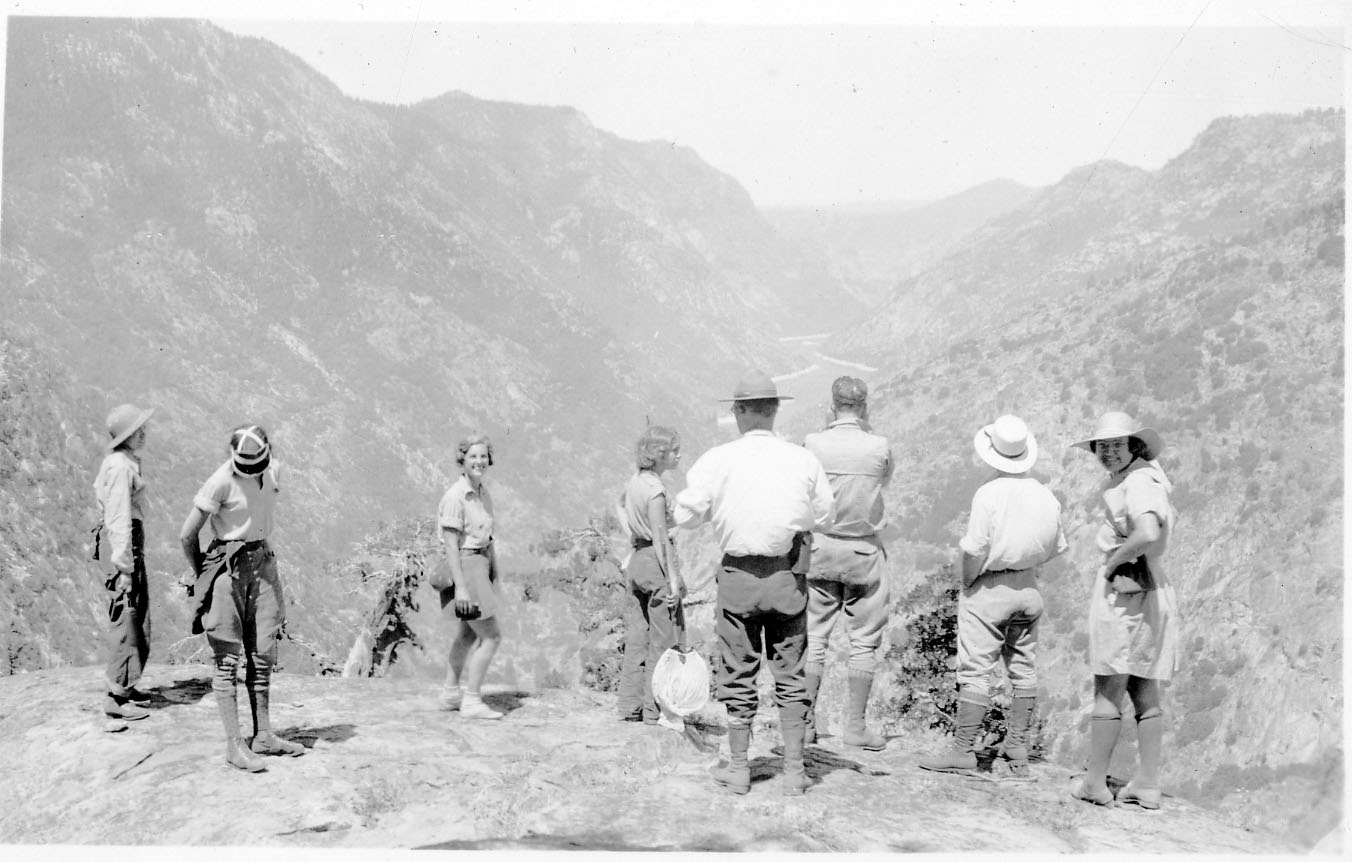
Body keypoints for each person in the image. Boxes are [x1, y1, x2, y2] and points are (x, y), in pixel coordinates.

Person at [674, 370, 835, 796]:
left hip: (739, 579)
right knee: (791, 671)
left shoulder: (717, 459)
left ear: (740, 411)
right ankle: (796, 771)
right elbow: (826, 515)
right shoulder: (802, 459)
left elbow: (685, 516)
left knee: (738, 671)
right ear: (776, 408)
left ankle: (741, 768)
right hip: (787, 576)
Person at [917, 414, 1067, 778]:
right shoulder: (1046, 495)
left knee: (975, 672)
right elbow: (1055, 547)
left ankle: (964, 752)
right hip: (1029, 589)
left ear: (992, 454)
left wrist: (969, 582)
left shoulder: (988, 495)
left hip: (990, 588)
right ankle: (1017, 748)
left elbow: (974, 549)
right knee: (1023, 669)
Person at [179, 424, 305, 772]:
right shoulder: (220, 481)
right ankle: (234, 744)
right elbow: (187, 533)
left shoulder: (273, 471)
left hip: (262, 563)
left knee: (263, 652)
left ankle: (263, 734)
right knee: (228, 659)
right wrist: (204, 572)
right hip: (228, 568)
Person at [1070, 412, 1178, 809]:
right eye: (1103, 446)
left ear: (1134, 445)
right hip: (1150, 589)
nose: (1108, 452)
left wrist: (1115, 561)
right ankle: (1147, 784)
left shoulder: (1137, 482)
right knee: (1143, 684)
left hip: (1126, 591)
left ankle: (1095, 784)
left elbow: (1147, 532)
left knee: (1110, 684)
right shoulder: (1149, 476)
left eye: (1117, 444)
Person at [801, 377, 893, 750]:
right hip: (863, 552)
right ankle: (854, 727)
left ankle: (805, 723)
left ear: (832, 405)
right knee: (863, 641)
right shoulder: (879, 446)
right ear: (864, 407)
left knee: (813, 636)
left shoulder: (812, 445)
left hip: (820, 547)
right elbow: (881, 484)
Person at [615, 425, 687, 724]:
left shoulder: (635, 482)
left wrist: (632, 535)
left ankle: (629, 707)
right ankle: (654, 710)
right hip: (655, 561)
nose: (678, 456)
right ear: (659, 455)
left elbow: (619, 505)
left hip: (637, 562)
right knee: (663, 638)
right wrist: (674, 580)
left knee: (638, 638)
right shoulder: (656, 490)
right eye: (674, 451)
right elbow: (660, 537)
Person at [92, 403, 156, 722]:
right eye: (137, 430)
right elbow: (118, 517)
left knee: (136, 613)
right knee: (128, 615)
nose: (143, 434)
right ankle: (117, 693)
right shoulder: (120, 467)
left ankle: (127, 686)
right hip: (126, 540)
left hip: (130, 539)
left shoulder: (123, 462)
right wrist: (124, 567)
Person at [435, 433, 505, 720]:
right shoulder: (456, 496)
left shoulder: (481, 492)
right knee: (491, 637)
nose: (479, 461)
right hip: (466, 568)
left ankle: (451, 693)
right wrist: (462, 589)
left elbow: (486, 538)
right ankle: (472, 700)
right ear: (462, 460)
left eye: (483, 456)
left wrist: (493, 574)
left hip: (480, 565)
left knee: (466, 633)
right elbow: (451, 546)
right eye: (473, 456)